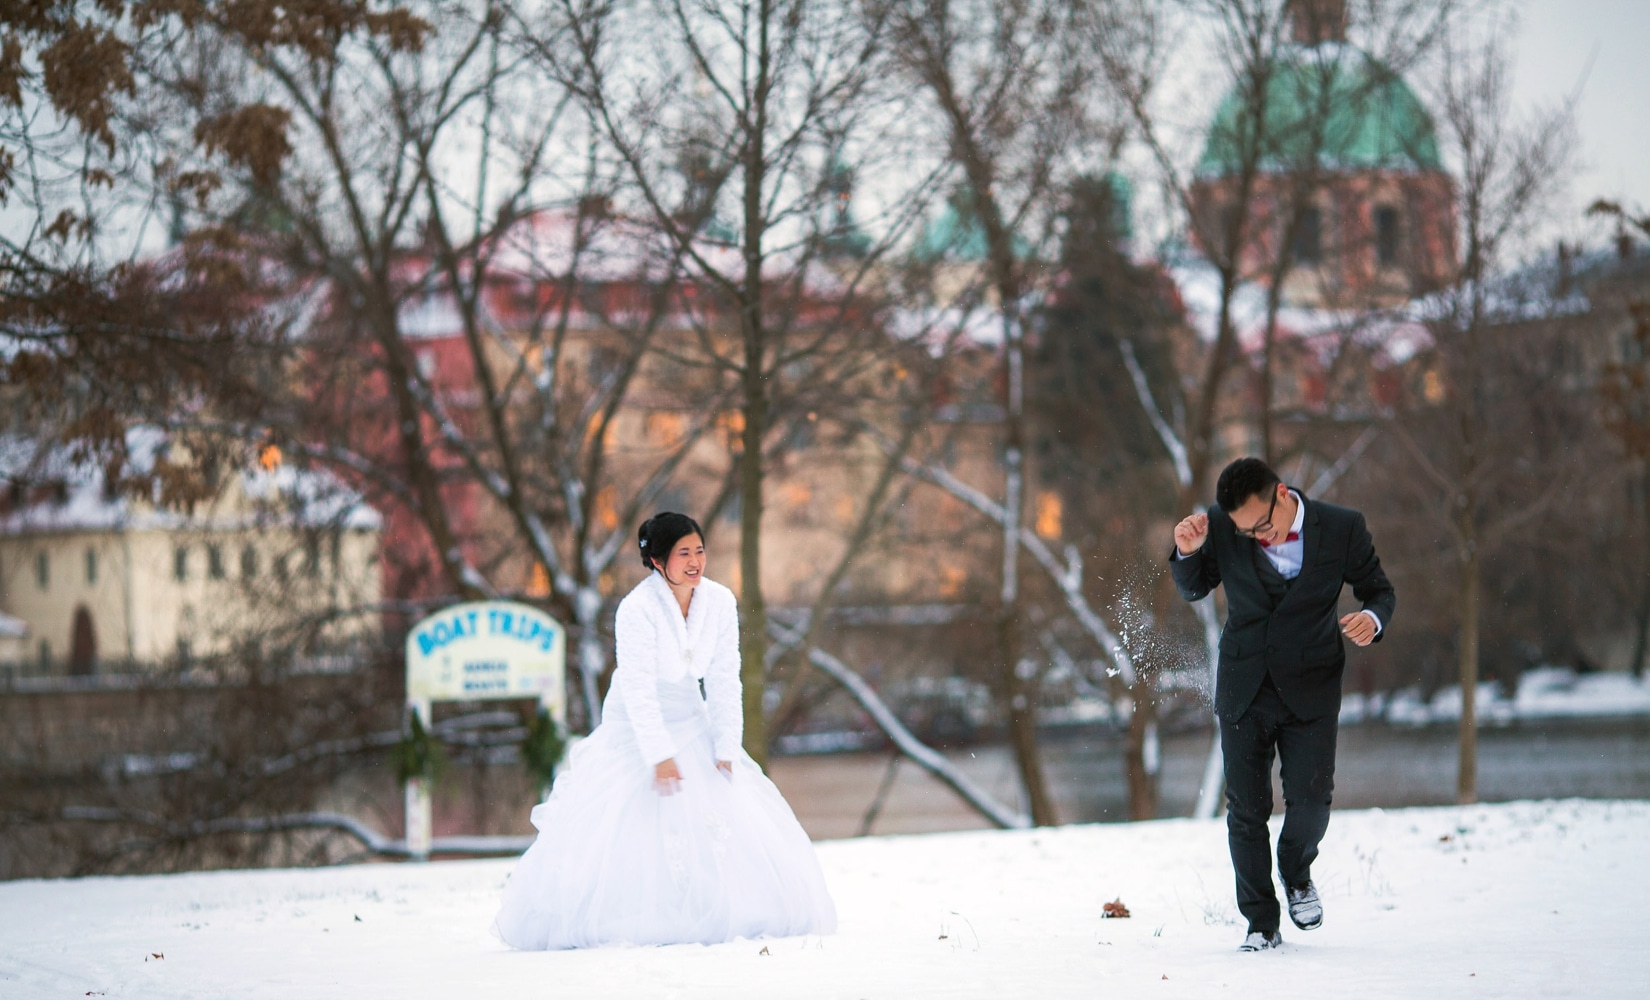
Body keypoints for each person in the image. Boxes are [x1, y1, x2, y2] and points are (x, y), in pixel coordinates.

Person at [494, 512, 836, 949]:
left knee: (722, 809)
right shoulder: (637, 610)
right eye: (683, 553)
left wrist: (727, 743)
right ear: (657, 561)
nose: (695, 561)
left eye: (699, 550)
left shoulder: (719, 602)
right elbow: (637, 687)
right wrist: (658, 754)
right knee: (640, 820)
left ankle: (714, 906)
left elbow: (725, 677)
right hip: (637, 724)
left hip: (692, 716)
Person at [1170, 458, 1395, 952]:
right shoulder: (1225, 526)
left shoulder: (1341, 527)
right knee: (1245, 811)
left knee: (1313, 802)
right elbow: (1194, 587)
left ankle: (1296, 872)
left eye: (1264, 525)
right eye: (1246, 533)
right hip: (1244, 684)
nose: (1259, 537)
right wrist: (1187, 553)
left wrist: (1373, 618)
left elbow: (1377, 588)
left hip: (1311, 685)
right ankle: (1261, 924)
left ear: (1282, 494)